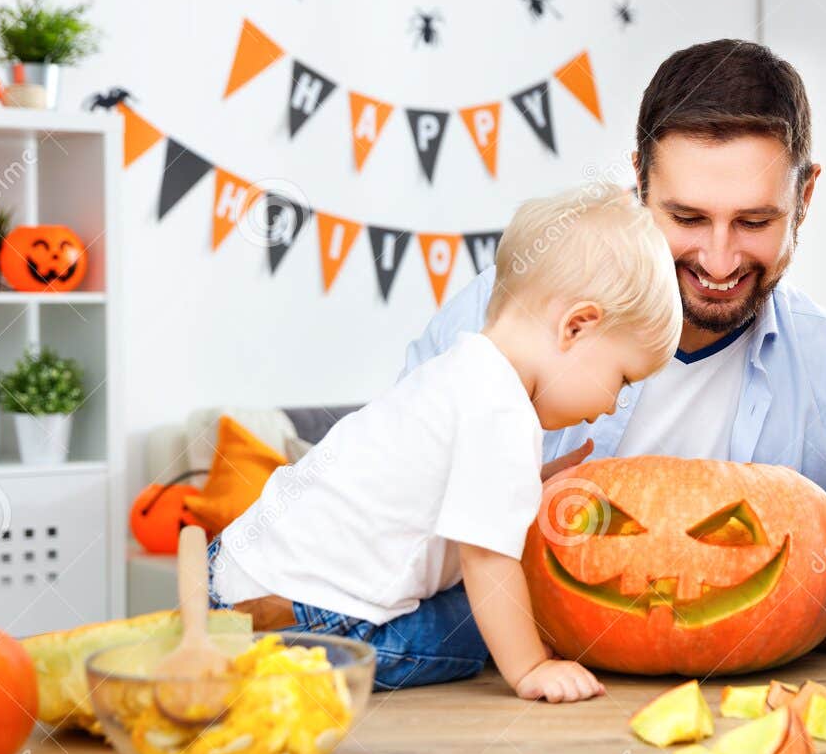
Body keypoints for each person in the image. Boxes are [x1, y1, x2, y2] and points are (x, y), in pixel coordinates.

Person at [403, 39, 826, 593]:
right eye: (687, 218)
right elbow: (389, 519)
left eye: (754, 222)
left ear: (805, 196)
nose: (719, 260)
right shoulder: (509, 312)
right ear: (640, 183)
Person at [209, 184, 681, 700]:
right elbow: (486, 560)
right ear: (576, 327)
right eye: (623, 378)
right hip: (304, 628)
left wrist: (530, 480)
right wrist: (528, 669)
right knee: (482, 623)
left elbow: (449, 486)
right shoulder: (501, 411)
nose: (614, 404)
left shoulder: (460, 370)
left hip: (234, 575)